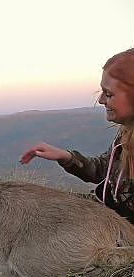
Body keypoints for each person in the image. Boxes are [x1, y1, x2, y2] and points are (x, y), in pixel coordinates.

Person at [20, 48, 134, 223]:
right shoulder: (126, 134)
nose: (102, 100)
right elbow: (104, 170)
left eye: (109, 94)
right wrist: (66, 157)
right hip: (107, 212)